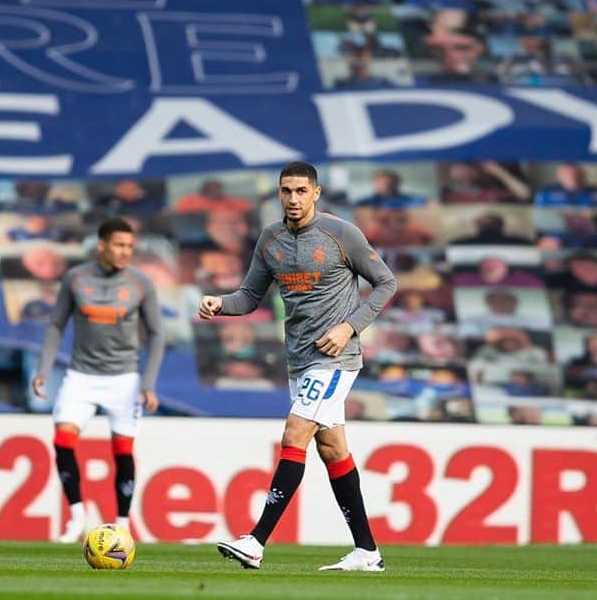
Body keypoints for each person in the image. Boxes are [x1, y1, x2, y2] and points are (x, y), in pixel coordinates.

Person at [199, 161, 397, 572]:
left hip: (335, 357)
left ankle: (256, 541)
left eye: (301, 191)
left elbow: (387, 282)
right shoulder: (270, 239)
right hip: (300, 360)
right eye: (286, 191)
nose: (293, 199)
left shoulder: (341, 234)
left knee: (295, 433)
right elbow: (249, 297)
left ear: (316, 193)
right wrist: (220, 303)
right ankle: (367, 551)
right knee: (332, 449)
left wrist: (348, 326)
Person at [32, 218, 165, 543]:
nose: (125, 252)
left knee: (122, 450)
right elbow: (55, 325)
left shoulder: (141, 283)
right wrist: (43, 370)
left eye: (130, 247)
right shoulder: (76, 278)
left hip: (125, 379)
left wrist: (148, 383)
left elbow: (158, 334)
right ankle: (77, 516)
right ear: (101, 245)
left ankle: (121, 523)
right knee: (63, 440)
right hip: (81, 376)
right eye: (119, 245)